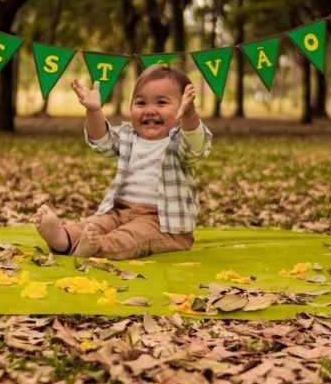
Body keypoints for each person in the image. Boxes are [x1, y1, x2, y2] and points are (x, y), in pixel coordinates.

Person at [35, 64, 212, 260]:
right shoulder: (129, 135)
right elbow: (101, 141)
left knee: (132, 237)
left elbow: (197, 143)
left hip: (164, 224)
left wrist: (189, 114)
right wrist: (94, 111)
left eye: (161, 103)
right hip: (120, 210)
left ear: (181, 107)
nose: (150, 110)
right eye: (141, 103)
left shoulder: (180, 141)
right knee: (96, 224)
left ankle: (95, 248)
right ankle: (63, 238)